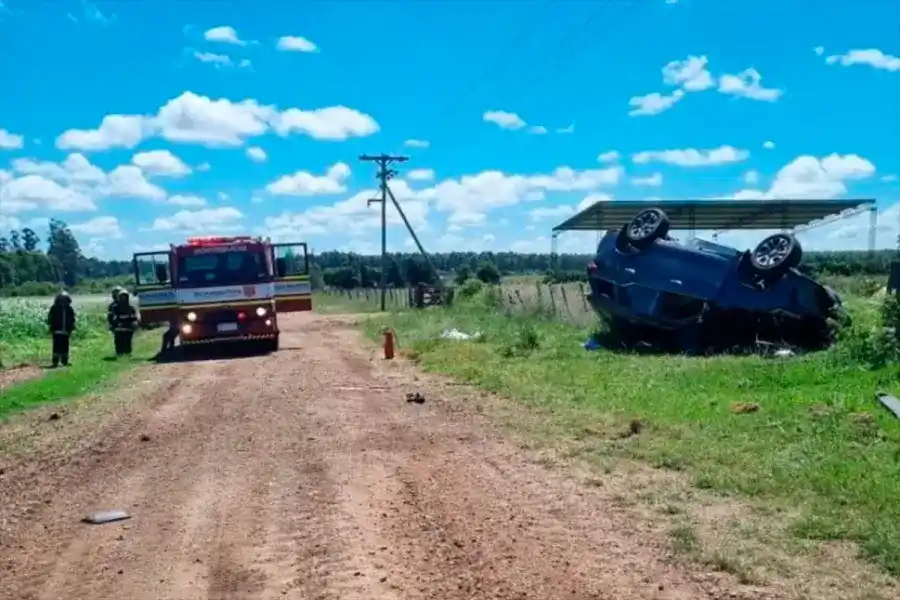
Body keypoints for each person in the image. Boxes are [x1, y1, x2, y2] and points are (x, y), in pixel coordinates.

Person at [47, 291, 76, 367]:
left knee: (65, 346)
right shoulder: (54, 308)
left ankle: (64, 360)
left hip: (66, 331)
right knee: (56, 346)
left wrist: (72, 327)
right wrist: (51, 326)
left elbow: (72, 319)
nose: (63, 302)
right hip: (56, 331)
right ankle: (55, 361)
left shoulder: (69, 309)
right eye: (62, 300)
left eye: (65, 300)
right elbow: (50, 318)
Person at [109, 289, 139, 357]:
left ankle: (128, 353)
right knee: (119, 341)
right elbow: (113, 317)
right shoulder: (115, 308)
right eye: (122, 297)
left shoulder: (131, 308)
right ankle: (119, 353)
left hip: (128, 328)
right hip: (119, 328)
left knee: (128, 341)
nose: (123, 298)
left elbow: (134, 318)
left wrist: (134, 323)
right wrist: (114, 325)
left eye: (125, 297)